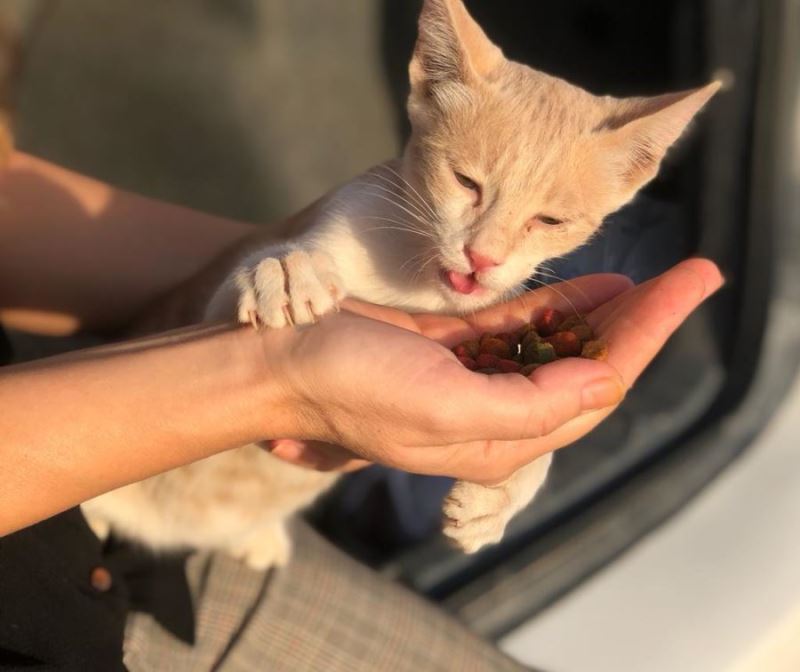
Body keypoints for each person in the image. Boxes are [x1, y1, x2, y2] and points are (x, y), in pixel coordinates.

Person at [0, 151, 723, 670]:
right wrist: (274, 375)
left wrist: (296, 259)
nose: (489, 251)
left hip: (193, 528)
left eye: (550, 220)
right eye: (468, 183)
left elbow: (11, 196)